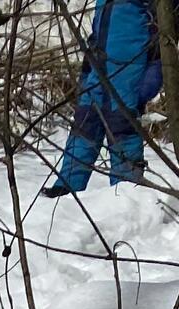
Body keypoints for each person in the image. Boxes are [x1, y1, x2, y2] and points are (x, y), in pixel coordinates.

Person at [45, 0, 162, 193]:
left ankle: (126, 189)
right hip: (98, 70)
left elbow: (161, 42)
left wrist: (151, 81)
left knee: (122, 125)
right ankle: (66, 187)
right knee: (85, 124)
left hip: (128, 73)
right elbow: (96, 36)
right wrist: (86, 71)